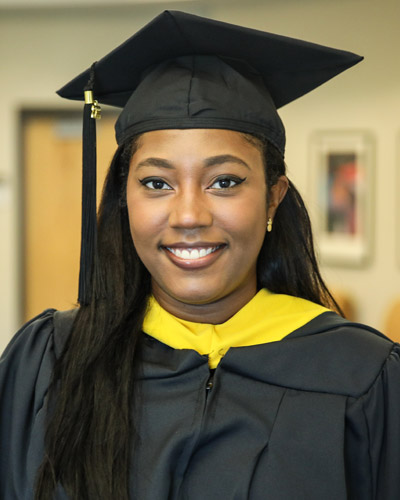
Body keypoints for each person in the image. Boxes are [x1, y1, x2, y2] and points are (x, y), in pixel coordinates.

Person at [1, 10, 400, 500]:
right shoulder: (50, 360)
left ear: (274, 197)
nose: (188, 215)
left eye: (225, 182)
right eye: (156, 183)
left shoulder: (363, 376)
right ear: (124, 198)